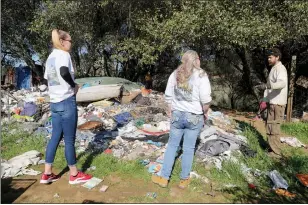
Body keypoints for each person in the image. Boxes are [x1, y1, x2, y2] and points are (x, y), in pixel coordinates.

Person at [152, 50, 212, 189]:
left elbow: (168, 95)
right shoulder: (201, 75)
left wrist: (169, 109)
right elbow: (206, 99)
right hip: (194, 116)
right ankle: (184, 180)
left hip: (177, 115)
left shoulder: (175, 74)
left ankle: (164, 178)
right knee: (188, 148)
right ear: (197, 59)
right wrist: (205, 112)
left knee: (172, 146)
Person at [40, 29, 92, 184]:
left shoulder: (50, 58)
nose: (71, 44)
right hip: (66, 101)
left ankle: (47, 173)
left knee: (55, 136)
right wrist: (73, 86)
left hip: (55, 103)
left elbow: (47, 79)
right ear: (62, 41)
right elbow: (63, 71)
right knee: (69, 140)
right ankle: (74, 175)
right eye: (70, 41)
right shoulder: (64, 55)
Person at [255, 48, 288, 155]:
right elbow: (269, 89)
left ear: (277, 57)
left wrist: (268, 85)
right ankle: (271, 147)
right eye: (268, 57)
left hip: (277, 104)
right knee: (270, 126)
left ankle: (276, 152)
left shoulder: (280, 69)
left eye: (270, 57)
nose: (268, 59)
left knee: (274, 127)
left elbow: (282, 83)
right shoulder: (274, 68)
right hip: (272, 102)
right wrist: (264, 100)